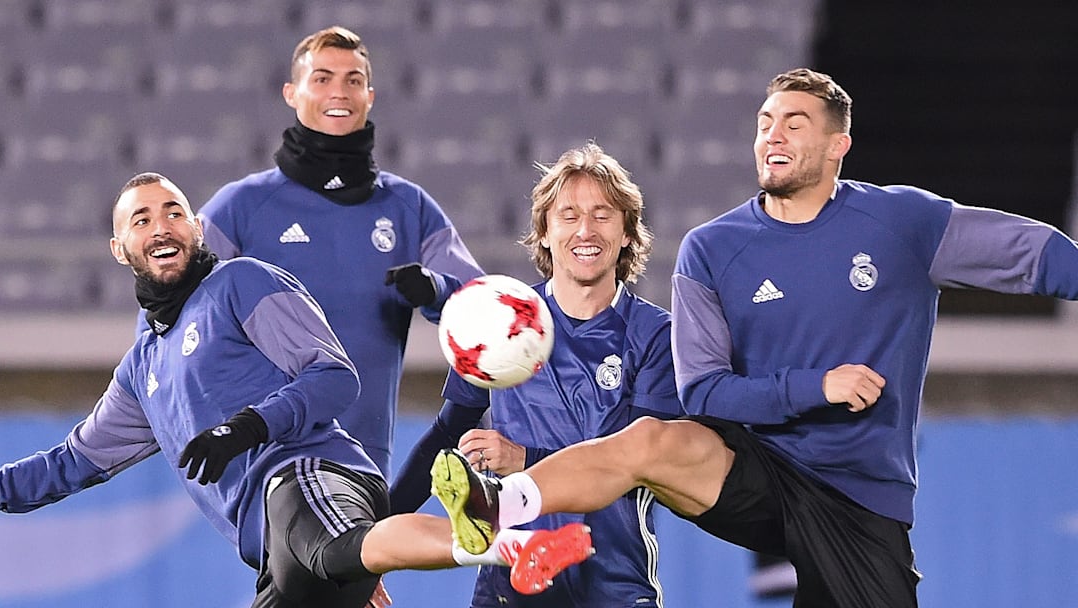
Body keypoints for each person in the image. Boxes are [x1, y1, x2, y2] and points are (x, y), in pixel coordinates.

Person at [428, 67, 1078, 608]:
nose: (774, 134)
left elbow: (1028, 252)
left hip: (857, 492)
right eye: (765, 122)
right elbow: (705, 393)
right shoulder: (714, 249)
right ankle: (496, 507)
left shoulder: (901, 222)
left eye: (795, 124)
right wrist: (814, 386)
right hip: (754, 468)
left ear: (836, 145)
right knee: (649, 439)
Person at [0, 173, 593, 608]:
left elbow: (334, 376)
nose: (162, 226)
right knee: (331, 562)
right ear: (120, 249)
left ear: (196, 226)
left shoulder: (239, 282)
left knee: (335, 551)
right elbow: (71, 463)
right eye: (142, 219)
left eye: (174, 211)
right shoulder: (141, 369)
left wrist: (248, 427)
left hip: (310, 472)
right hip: (277, 557)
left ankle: (504, 543)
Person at [390, 143, 685, 605]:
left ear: (627, 232)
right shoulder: (500, 317)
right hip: (510, 581)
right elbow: (446, 432)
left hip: (612, 582)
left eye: (603, 214)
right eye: (568, 215)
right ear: (544, 233)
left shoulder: (655, 335)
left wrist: (524, 459)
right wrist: (369, 543)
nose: (585, 230)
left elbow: (643, 468)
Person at [196, 26, 484, 477]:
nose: (340, 92)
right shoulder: (239, 207)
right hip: (266, 450)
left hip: (367, 455)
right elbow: (174, 316)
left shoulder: (409, 207)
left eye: (353, 81)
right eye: (323, 78)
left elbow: (483, 311)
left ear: (370, 95)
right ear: (292, 93)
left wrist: (436, 289)